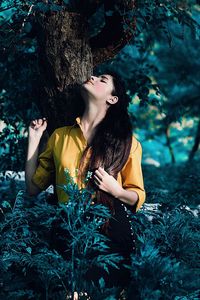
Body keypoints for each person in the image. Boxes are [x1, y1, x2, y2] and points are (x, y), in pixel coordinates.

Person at [25, 71, 146, 299]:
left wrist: (116, 190)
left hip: (109, 227)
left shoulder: (128, 143)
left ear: (112, 99)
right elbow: (32, 188)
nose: (92, 77)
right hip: (67, 225)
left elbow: (138, 196)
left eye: (103, 80)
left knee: (101, 294)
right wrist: (33, 139)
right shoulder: (60, 137)